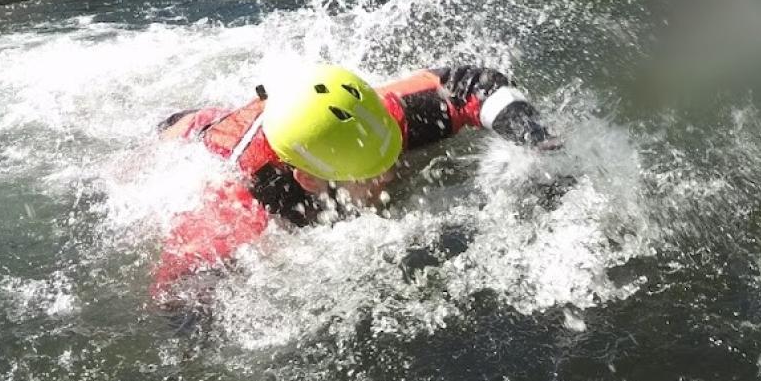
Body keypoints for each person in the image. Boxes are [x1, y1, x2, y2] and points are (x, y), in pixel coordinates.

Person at [152, 63, 561, 295]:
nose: (391, 169)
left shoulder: (374, 117)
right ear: (310, 180)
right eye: (371, 169)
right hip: (195, 132)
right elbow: (176, 293)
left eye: (389, 154)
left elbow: (471, 82)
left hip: (297, 117)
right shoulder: (233, 214)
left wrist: (533, 137)